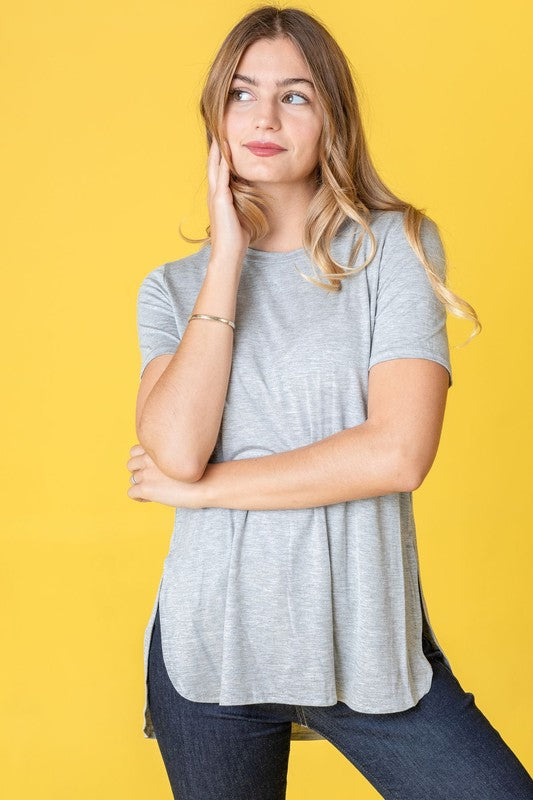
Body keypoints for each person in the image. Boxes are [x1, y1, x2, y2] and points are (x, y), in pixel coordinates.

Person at [126, 5, 533, 799]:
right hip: (210, 647)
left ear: (331, 114)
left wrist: (204, 489)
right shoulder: (173, 288)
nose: (265, 117)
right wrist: (227, 259)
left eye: (295, 95)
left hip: (363, 638)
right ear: (215, 114)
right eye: (242, 94)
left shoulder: (395, 249)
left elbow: (398, 453)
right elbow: (171, 448)